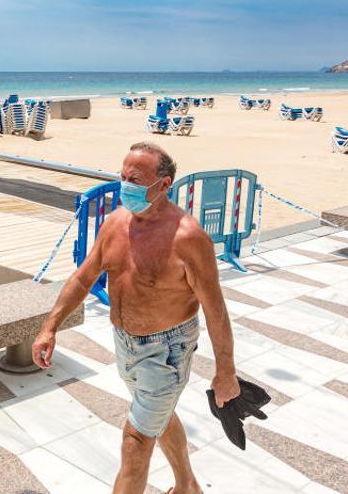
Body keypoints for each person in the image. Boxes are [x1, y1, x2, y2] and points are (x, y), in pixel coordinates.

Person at [32, 142, 239, 494]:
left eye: (135, 179)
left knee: (135, 441)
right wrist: (50, 327)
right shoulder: (115, 223)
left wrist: (226, 372)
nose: (125, 184)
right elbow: (84, 276)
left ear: (164, 184)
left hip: (167, 352)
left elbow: (215, 309)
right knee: (158, 418)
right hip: (125, 344)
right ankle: (187, 486)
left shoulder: (188, 238)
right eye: (122, 176)